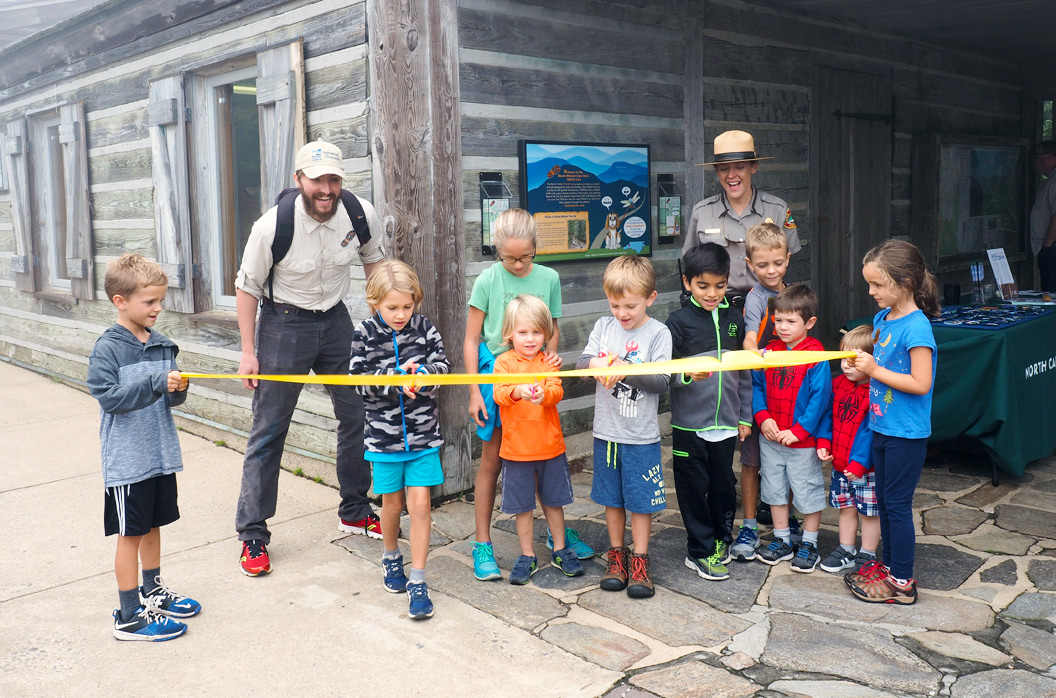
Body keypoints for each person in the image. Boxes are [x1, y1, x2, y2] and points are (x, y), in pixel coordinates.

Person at [233, 140, 385, 576]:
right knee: (270, 429)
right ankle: (253, 535)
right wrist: (248, 352)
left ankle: (355, 509)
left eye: (334, 179)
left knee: (358, 414)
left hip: (336, 321)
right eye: (318, 179)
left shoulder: (359, 214)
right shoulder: (271, 227)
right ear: (299, 180)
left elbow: (375, 265)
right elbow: (247, 289)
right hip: (283, 325)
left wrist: (378, 331)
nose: (326, 188)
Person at [464, 209, 592, 582]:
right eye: (510, 258)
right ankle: (483, 543)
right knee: (495, 458)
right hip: (498, 373)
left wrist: (550, 353)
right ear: (497, 252)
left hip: (536, 370)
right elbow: (472, 339)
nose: (518, 264)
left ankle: (557, 534)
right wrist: (475, 390)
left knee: (541, 453)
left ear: (536, 247)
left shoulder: (549, 277)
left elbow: (551, 328)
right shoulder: (487, 280)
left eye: (525, 256)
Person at [87, 253, 201, 642]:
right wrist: (156, 383)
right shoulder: (108, 348)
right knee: (129, 533)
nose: (158, 308)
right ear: (120, 301)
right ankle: (129, 614)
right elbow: (109, 397)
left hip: (158, 453)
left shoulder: (163, 345)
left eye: (161, 300)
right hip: (128, 460)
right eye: (149, 301)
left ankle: (153, 591)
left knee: (154, 525)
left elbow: (167, 401)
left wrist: (178, 390)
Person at [349, 260, 448, 619]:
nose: (401, 314)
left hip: (423, 438)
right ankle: (391, 556)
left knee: (420, 504)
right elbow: (357, 382)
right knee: (391, 505)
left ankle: (418, 580)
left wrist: (423, 374)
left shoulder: (424, 329)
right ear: (374, 302)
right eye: (392, 307)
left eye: (407, 306)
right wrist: (394, 378)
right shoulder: (363, 334)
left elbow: (443, 369)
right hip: (383, 440)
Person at [845, 240, 939, 605]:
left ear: (905, 283)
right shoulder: (883, 320)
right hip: (882, 427)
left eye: (877, 285)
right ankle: (889, 568)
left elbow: (920, 383)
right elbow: (884, 376)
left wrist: (875, 370)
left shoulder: (917, 329)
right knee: (884, 502)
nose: (871, 292)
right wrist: (862, 373)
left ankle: (903, 582)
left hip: (906, 435)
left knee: (896, 506)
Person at [578, 255, 671, 598]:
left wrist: (626, 369)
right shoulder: (603, 327)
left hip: (641, 437)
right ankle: (616, 556)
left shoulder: (658, 333)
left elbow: (662, 380)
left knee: (641, 502)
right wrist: (599, 362)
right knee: (611, 499)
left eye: (630, 305)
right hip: (606, 433)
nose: (622, 313)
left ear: (650, 298)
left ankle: (640, 560)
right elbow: (582, 362)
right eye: (615, 304)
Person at [666, 243, 753, 582]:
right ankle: (699, 551)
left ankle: (721, 541)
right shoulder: (678, 322)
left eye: (720, 285)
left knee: (722, 485)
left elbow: (744, 373)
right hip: (690, 425)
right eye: (703, 286)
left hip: (728, 424)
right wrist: (686, 374)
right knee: (691, 487)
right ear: (687, 283)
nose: (713, 293)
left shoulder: (735, 318)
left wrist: (744, 416)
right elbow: (664, 371)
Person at [492, 295, 584, 585]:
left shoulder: (549, 362)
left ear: (546, 333)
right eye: (523, 332)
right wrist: (517, 391)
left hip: (550, 447)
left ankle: (559, 548)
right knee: (522, 507)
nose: (530, 339)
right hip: (516, 451)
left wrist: (546, 395)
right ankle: (527, 554)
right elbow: (499, 394)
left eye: (536, 332)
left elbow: (556, 391)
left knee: (554, 502)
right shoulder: (503, 364)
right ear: (509, 334)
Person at [752, 284, 831, 573]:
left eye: (790, 321)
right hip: (771, 437)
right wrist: (762, 417)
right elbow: (757, 386)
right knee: (773, 490)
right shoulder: (768, 352)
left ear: (809, 323)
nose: (782, 327)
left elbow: (819, 399)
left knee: (807, 492)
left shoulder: (816, 355)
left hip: (802, 443)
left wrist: (799, 431)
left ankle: (809, 543)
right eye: (778, 320)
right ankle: (782, 539)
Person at [731, 221, 794, 562]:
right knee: (752, 461)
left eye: (778, 263)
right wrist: (753, 348)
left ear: (787, 259)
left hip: (792, 393)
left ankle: (791, 520)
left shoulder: (794, 295)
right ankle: (750, 524)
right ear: (750, 266)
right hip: (760, 392)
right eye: (763, 265)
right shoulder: (755, 300)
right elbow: (750, 335)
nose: (771, 270)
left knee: (792, 459)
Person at [682, 130, 800, 302]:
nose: (731, 175)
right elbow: (691, 262)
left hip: (767, 306)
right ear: (716, 171)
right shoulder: (702, 212)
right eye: (724, 168)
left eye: (739, 167)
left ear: (753, 167)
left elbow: (788, 259)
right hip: (718, 308)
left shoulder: (777, 209)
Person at [816, 324, 880, 575]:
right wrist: (823, 442)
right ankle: (846, 549)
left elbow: (871, 429)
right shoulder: (837, 384)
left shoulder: (876, 389)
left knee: (869, 512)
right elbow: (828, 417)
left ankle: (868, 553)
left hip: (865, 469)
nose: (846, 365)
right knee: (846, 508)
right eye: (843, 358)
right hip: (840, 464)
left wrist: (859, 463)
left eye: (854, 361)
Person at [1031, 140, 1056, 292]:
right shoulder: (1051, 180)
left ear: (1051, 157)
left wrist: (1047, 245)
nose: (1034, 159)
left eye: (1037, 155)